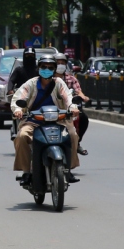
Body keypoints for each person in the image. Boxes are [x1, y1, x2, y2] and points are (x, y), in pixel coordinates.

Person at [11, 54, 81, 184]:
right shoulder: (30, 84)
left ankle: (69, 169)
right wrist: (18, 110)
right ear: (39, 68)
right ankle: (26, 171)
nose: (47, 69)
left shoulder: (59, 83)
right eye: (44, 67)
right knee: (21, 136)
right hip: (34, 121)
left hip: (59, 121)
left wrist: (72, 107)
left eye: (50, 67)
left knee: (72, 135)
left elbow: (68, 98)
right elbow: (19, 98)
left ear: (54, 70)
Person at [54, 52, 91, 155]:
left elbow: (78, 90)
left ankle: (77, 142)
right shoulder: (47, 78)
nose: (60, 65)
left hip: (69, 107)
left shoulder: (71, 78)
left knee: (83, 118)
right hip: (52, 108)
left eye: (62, 63)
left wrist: (83, 97)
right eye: (58, 63)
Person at [7, 47, 38, 140]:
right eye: (27, 56)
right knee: (17, 111)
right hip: (21, 97)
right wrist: (10, 90)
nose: (29, 57)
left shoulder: (39, 70)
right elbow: (11, 81)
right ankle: (16, 129)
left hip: (36, 96)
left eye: (31, 56)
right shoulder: (19, 70)